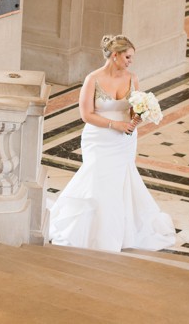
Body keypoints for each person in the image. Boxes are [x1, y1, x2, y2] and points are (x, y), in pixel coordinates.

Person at [46, 34, 176, 251]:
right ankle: (89, 229)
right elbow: (86, 114)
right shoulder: (93, 79)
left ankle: (120, 231)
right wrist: (112, 125)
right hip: (99, 138)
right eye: (127, 56)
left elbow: (134, 109)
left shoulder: (132, 78)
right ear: (114, 55)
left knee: (120, 182)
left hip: (124, 140)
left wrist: (140, 115)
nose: (130, 61)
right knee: (97, 177)